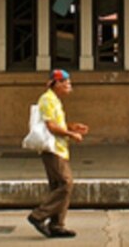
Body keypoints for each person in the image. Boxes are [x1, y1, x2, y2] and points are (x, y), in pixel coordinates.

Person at [27, 69, 89, 239]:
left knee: (59, 186)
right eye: (66, 83)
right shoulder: (47, 99)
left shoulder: (55, 100)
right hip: (53, 149)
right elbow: (51, 127)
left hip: (59, 148)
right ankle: (38, 216)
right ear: (57, 84)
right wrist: (72, 135)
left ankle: (57, 225)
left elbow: (58, 124)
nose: (69, 86)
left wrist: (72, 127)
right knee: (66, 184)